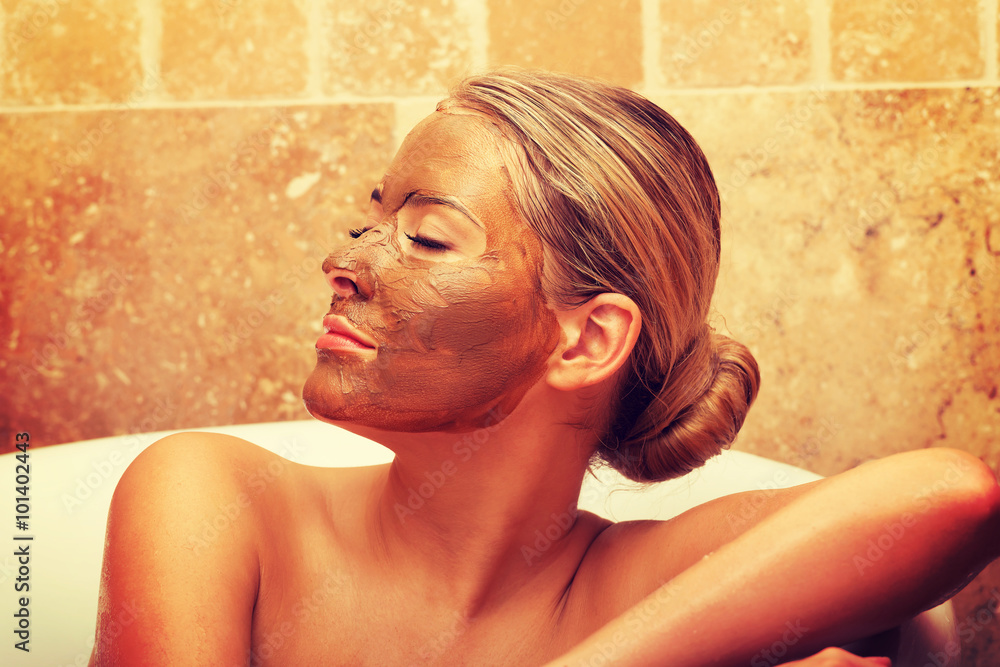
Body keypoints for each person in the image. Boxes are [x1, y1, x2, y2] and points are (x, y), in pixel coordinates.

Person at [89, 69, 1000, 666]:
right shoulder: (215, 499)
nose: (346, 257)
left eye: (429, 233)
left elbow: (949, 499)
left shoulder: (631, 585)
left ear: (587, 340)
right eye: (374, 216)